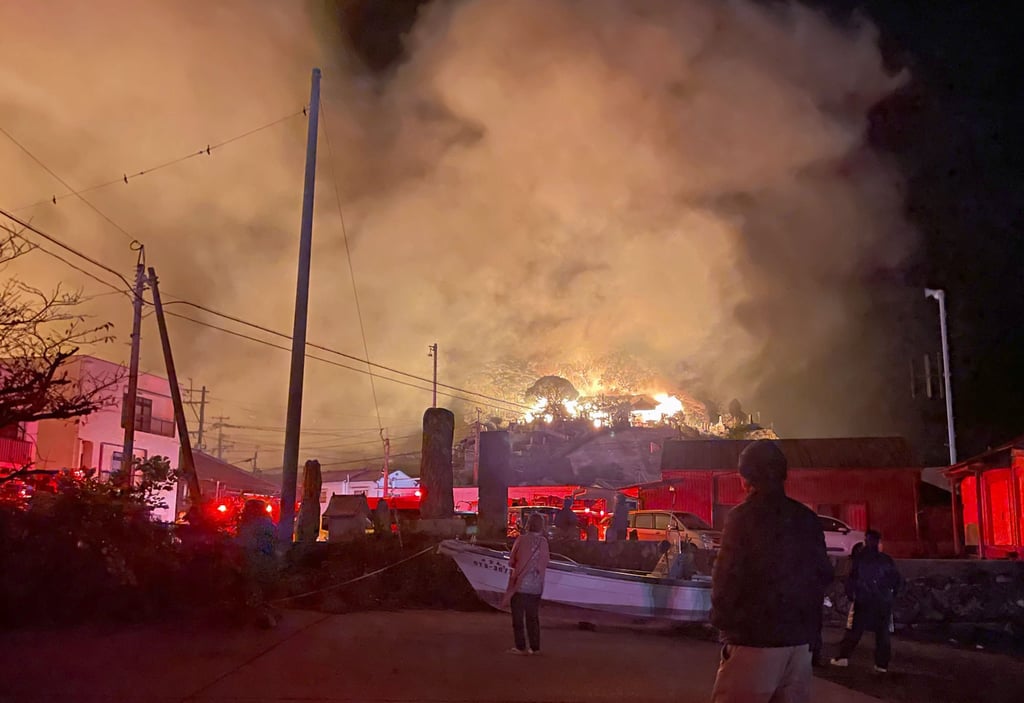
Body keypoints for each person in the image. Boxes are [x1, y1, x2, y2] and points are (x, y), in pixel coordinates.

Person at [710, 440, 833, 703]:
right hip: (799, 647)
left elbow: (726, 577)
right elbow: (823, 575)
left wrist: (724, 622)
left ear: (746, 478)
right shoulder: (807, 518)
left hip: (755, 641)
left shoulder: (742, 518)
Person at [831, 530, 902, 672]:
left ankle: (843, 657)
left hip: (863, 600)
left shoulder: (860, 559)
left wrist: (851, 595)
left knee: (854, 630)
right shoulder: (886, 560)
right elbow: (897, 580)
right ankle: (881, 664)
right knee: (882, 633)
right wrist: (891, 596)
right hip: (883, 601)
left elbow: (851, 579)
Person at [502, 512, 550, 655]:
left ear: (528, 524)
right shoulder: (544, 542)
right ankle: (535, 647)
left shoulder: (521, 540)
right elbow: (545, 561)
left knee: (518, 617)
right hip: (537, 585)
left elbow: (512, 560)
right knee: (533, 618)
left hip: (520, 584)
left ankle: (520, 646)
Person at [237, 499, 280, 628]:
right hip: (269, 561)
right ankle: (269, 616)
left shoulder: (251, 525)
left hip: (255, 561)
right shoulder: (270, 525)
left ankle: (262, 618)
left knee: (255, 589)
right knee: (264, 590)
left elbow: (244, 543)